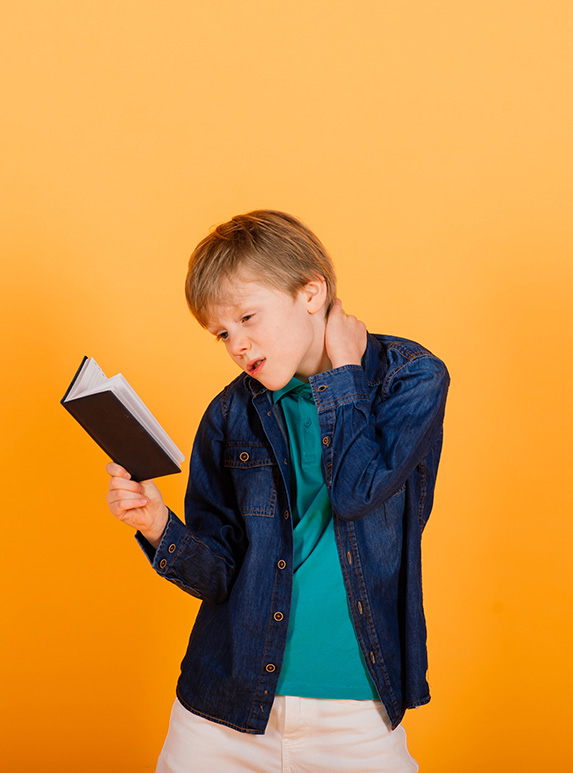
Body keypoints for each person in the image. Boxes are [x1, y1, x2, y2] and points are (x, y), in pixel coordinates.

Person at [106, 210, 449, 772]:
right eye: (222, 334)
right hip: (224, 709)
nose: (237, 344)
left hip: (355, 715)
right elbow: (221, 575)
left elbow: (357, 492)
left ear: (311, 292)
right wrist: (157, 525)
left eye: (247, 317)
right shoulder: (229, 413)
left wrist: (344, 370)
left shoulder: (409, 378)